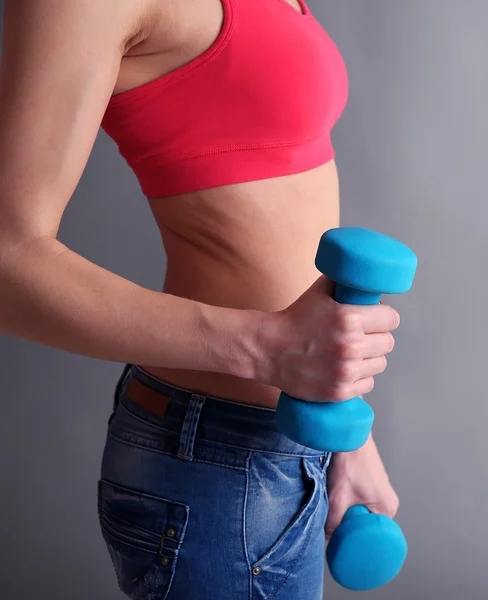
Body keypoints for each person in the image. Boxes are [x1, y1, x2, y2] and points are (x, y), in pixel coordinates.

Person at [0, 0, 401, 598]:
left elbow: (281, 212)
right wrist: (267, 353)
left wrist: (344, 431)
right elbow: (8, 259)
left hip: (289, 439)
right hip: (216, 459)